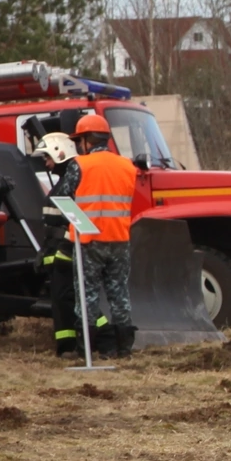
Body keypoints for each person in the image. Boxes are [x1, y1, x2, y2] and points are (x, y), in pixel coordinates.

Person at [73, 111, 139, 357]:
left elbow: (64, 196)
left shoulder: (80, 165)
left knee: (87, 296)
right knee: (119, 294)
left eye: (79, 140)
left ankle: (86, 350)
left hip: (90, 242)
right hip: (120, 239)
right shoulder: (127, 166)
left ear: (87, 140)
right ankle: (124, 349)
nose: (78, 146)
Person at [33, 131, 83, 359]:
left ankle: (73, 347)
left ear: (59, 153)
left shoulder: (70, 181)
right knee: (63, 300)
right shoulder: (65, 181)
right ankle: (68, 346)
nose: (46, 163)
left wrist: (60, 250)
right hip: (57, 252)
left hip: (65, 252)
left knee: (66, 299)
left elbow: (70, 221)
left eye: (48, 157)